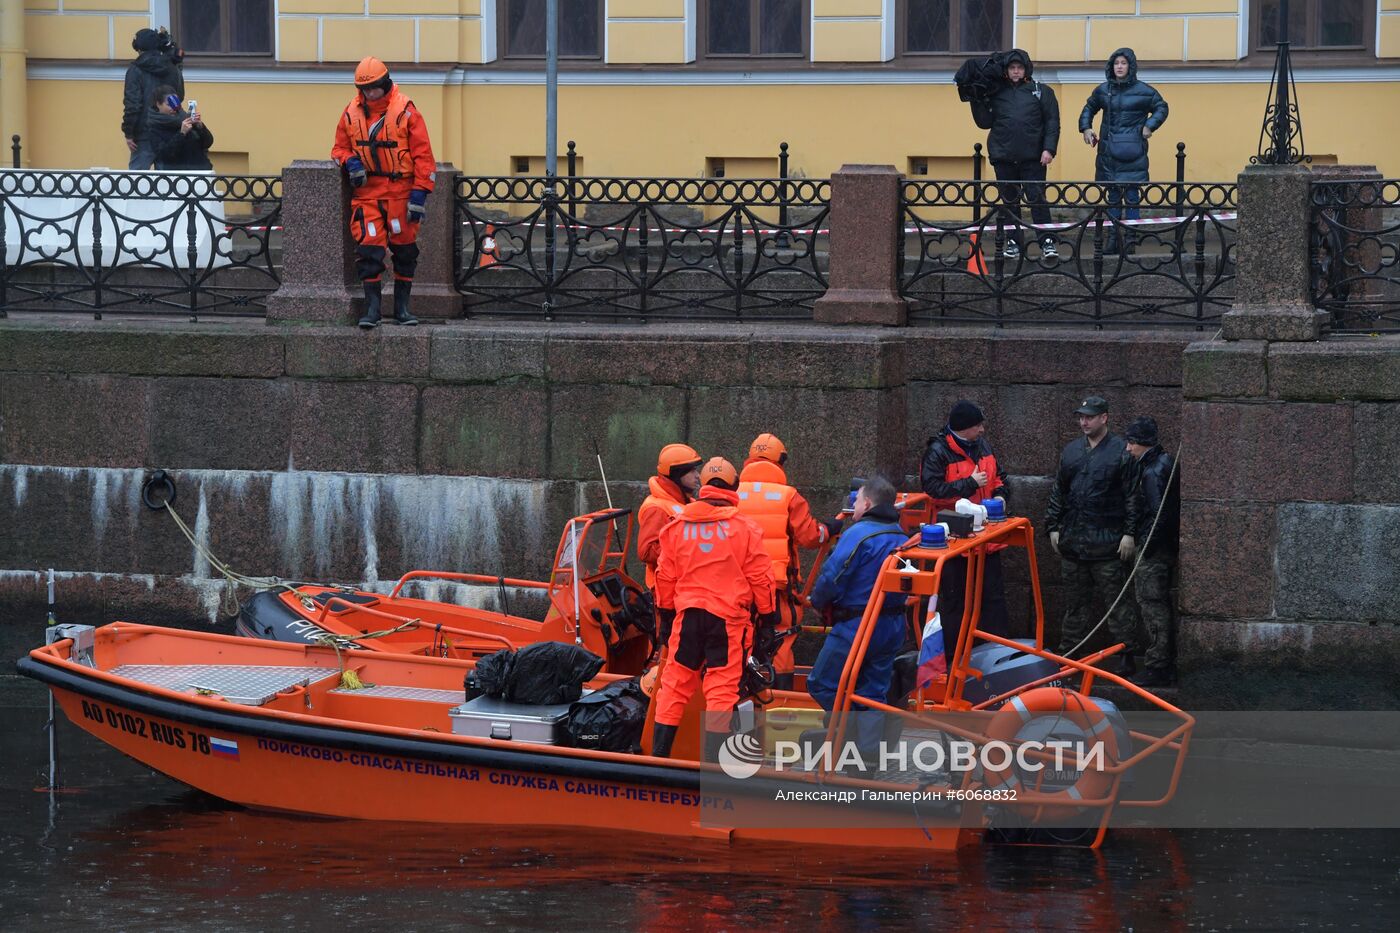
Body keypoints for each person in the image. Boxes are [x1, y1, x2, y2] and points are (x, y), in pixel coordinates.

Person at [651, 458, 776, 762]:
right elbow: (762, 579)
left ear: (703, 488)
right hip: (727, 620)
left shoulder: (676, 527)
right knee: (721, 688)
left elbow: (664, 577)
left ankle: (657, 758)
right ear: (734, 488)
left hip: (688, 616)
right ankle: (712, 761)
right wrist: (768, 619)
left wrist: (666, 618)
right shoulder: (745, 529)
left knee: (675, 685)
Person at [806, 476, 909, 757]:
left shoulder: (859, 532)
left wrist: (817, 602)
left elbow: (833, 574)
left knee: (822, 683)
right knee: (873, 692)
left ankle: (845, 736)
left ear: (867, 502)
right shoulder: (901, 535)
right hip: (893, 625)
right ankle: (868, 756)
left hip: (857, 625)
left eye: (857, 500)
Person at [331, 57, 436, 329]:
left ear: (385, 84)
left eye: (374, 88)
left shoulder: (407, 111)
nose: (369, 94)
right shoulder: (350, 113)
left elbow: (424, 156)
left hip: (401, 194)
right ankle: (372, 311)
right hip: (367, 195)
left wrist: (420, 193)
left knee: (404, 251)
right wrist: (350, 162)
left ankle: (402, 309)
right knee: (369, 250)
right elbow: (339, 148)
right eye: (364, 89)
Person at [1045, 395, 1144, 675]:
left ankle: (1126, 652)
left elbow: (1133, 497)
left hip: (1108, 543)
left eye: (1089, 416)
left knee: (1118, 603)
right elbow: (1059, 491)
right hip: (1074, 542)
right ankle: (1070, 653)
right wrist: (1052, 526)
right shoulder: (1072, 451)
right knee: (1075, 604)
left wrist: (1130, 533)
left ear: (1104, 418)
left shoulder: (1121, 452)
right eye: (1081, 416)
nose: (1084, 421)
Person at [736, 433, 841, 691]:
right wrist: (829, 528)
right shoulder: (788, 496)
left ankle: (741, 696)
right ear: (780, 462)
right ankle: (779, 700)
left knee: (740, 637)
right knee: (781, 639)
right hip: (776, 587)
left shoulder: (732, 492)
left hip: (737, 584)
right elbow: (810, 536)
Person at [919, 400, 1010, 659]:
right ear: (964, 428)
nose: (982, 430)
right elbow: (933, 490)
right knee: (955, 604)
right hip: (955, 545)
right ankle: (953, 660)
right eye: (978, 426)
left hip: (988, 541)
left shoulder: (983, 446)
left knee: (993, 601)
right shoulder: (937, 451)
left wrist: (1002, 495)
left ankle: (998, 657)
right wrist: (969, 483)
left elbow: (1000, 477)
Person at [969, 49, 1061, 260]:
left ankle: (1047, 241)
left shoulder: (1042, 91)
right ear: (1007, 71)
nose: (1016, 72)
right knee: (1010, 201)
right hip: (1003, 156)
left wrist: (1049, 149)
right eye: (1012, 68)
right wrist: (975, 99)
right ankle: (1013, 242)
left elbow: (1052, 123)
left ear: (1026, 69)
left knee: (1037, 199)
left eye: (1019, 68)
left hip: (1033, 157)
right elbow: (984, 122)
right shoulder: (996, 93)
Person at [1078, 48, 1168, 255]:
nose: (1119, 66)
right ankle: (1113, 239)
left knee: (1132, 197)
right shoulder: (1103, 90)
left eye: (1123, 63)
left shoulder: (1144, 91)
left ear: (1131, 66)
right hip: (1109, 152)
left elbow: (1162, 107)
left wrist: (1150, 126)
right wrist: (1086, 128)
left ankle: (1129, 240)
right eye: (1116, 63)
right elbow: (1089, 108)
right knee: (1113, 197)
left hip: (1132, 153)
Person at [1125, 416, 1179, 687]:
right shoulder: (1163, 462)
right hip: (1164, 546)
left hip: (1154, 550)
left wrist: (1145, 545)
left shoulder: (1152, 471)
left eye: (1131, 442)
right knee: (1158, 604)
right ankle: (1162, 663)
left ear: (1142, 443)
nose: (1127, 448)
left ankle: (1158, 665)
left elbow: (1158, 514)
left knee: (1152, 604)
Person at [122, 27, 184, 171]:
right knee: (168, 184)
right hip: (169, 130)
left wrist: (129, 132)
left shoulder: (135, 70)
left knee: (136, 184)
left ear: (138, 48)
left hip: (144, 133)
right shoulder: (173, 67)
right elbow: (179, 97)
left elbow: (133, 104)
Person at [147, 87, 212, 171]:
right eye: (169, 104)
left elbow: (208, 143)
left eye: (175, 104)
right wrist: (182, 134)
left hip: (200, 171)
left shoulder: (185, 118)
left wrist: (200, 126)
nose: (173, 108)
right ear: (158, 104)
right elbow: (164, 155)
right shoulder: (154, 126)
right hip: (174, 177)